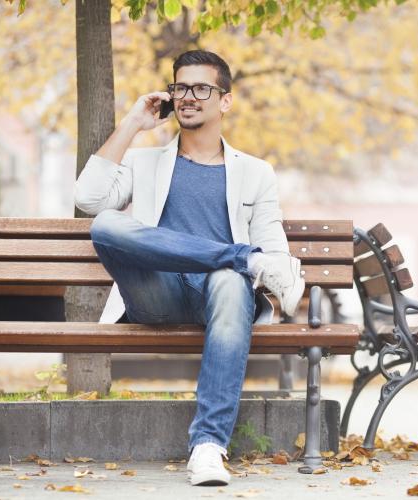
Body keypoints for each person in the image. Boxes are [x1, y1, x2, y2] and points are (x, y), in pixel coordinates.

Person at [73, 49, 305, 487]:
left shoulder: (255, 173)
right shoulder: (145, 161)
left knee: (233, 284)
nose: (188, 97)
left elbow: (275, 254)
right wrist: (132, 125)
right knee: (106, 224)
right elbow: (88, 198)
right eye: (180, 87)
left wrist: (254, 265)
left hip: (222, 301)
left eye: (201, 88)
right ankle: (238, 258)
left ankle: (208, 447)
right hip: (156, 293)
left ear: (224, 101)